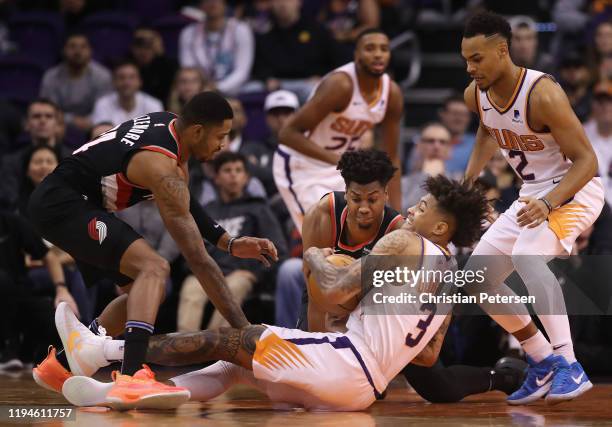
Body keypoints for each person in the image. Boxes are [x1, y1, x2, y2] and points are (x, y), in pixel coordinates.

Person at [56, 174, 489, 411]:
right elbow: (428, 356)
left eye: (424, 208)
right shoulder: (450, 278)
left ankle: (103, 352)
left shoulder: (405, 242)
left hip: (345, 360)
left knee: (232, 338)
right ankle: (132, 394)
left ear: (440, 227)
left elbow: (336, 289)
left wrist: (318, 255)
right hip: (359, 392)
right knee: (236, 369)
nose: (412, 209)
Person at [29, 92, 278, 409]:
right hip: (64, 205)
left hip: (70, 202)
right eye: (221, 136)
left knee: (146, 291)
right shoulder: (159, 165)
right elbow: (199, 261)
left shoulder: (171, 127)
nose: (223, 145)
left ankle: (63, 364)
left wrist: (226, 241)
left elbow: (182, 196)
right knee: (155, 268)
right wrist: (245, 333)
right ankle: (131, 377)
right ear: (198, 131)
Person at [460, 11, 604, 404]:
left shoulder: (542, 93)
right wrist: (470, 176)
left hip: (576, 190)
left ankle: (569, 366)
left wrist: (549, 202)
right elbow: (488, 127)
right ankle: (541, 362)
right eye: (465, 60)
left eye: (477, 59)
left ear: (502, 51)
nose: (470, 68)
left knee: (527, 256)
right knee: (478, 277)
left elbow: (589, 161)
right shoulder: (476, 94)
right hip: (533, 193)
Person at [274, 28, 403, 233]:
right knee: (322, 238)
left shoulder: (392, 93)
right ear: (356, 55)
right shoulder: (340, 85)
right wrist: (340, 161)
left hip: (340, 168)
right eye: (370, 48)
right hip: (302, 166)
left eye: (384, 49)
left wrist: (397, 214)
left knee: (355, 238)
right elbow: (287, 134)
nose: (378, 54)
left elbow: (392, 157)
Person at [178, 151, 287, 331]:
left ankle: (214, 348)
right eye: (227, 170)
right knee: (191, 291)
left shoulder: (258, 208)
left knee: (233, 287)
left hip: (242, 274)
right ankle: (186, 350)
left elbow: (278, 250)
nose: (234, 175)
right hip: (208, 271)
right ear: (217, 178)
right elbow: (189, 246)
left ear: (246, 177)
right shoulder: (207, 211)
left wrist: (256, 275)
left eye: (238, 170)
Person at [251, 0, 337, 102]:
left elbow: (336, 61)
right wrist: (266, 78)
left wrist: (323, 76)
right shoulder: (264, 33)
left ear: (299, 2)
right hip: (277, 84)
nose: (283, 4)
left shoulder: (317, 30)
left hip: (307, 84)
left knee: (315, 89)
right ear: (271, 4)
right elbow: (258, 65)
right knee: (251, 89)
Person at [0, 99, 70, 210]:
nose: (42, 120)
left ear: (57, 124)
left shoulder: (74, 159)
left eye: (49, 116)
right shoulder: (10, 162)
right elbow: (10, 200)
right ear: (26, 124)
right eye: (36, 116)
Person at [39, 33, 112, 132]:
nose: (78, 51)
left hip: (93, 125)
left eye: (83, 47)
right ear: (64, 50)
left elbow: (104, 108)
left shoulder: (103, 76)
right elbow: (49, 109)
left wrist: (89, 121)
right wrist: (72, 120)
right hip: (59, 126)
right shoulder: (51, 76)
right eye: (72, 46)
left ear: (90, 51)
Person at [179, 0, 254, 95]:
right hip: (199, 93)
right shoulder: (189, 33)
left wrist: (218, 87)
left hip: (234, 92)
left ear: (225, 3)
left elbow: (242, 71)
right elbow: (188, 68)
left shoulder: (240, 30)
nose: (212, 3)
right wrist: (203, 88)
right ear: (201, 5)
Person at [91, 61, 164, 126]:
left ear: (140, 82)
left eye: (132, 77)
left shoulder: (154, 105)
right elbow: (100, 134)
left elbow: (157, 137)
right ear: (113, 82)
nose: (126, 82)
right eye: (121, 78)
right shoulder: (103, 104)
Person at [402, 122, 453, 212]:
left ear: (449, 149)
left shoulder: (459, 181)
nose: (436, 146)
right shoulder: (403, 183)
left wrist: (437, 179)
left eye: (442, 142)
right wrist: (425, 177)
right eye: (430, 141)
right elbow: (403, 212)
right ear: (418, 146)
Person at [129, 27, 179, 105]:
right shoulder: (128, 65)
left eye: (148, 47)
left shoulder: (167, 66)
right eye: (139, 46)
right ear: (133, 48)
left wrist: (160, 51)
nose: (143, 51)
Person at [585, 83, 612, 205]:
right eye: (600, 102)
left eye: (609, 102)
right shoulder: (581, 134)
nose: (605, 107)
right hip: (593, 207)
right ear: (593, 106)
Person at [438, 95, 477, 177]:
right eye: (454, 114)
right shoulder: (427, 140)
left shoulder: (478, 144)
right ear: (442, 114)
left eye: (464, 114)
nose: (459, 119)